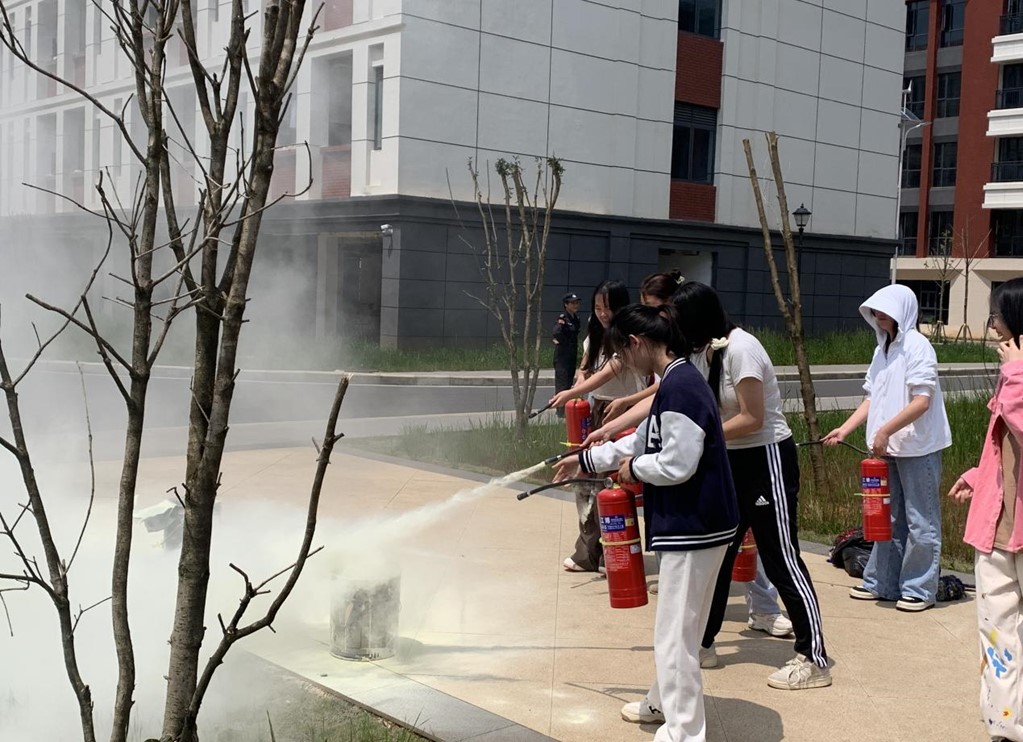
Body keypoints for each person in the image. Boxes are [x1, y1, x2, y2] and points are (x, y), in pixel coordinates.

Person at [552, 303, 738, 742]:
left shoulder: (682, 387)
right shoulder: (674, 381)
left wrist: (633, 470)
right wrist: (585, 460)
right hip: (697, 523)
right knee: (683, 628)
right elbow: (641, 439)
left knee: (675, 634)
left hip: (695, 526)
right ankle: (663, 701)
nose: (623, 362)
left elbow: (677, 463)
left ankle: (684, 732)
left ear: (636, 343)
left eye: (621, 353)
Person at [671, 282, 830, 689]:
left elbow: (752, 417)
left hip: (766, 459)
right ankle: (703, 642)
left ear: (699, 321)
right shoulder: (703, 352)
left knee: (780, 557)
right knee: (719, 554)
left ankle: (813, 657)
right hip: (730, 461)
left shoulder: (742, 348)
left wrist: (703, 439)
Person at [825, 284, 951, 612]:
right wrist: (845, 428)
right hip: (887, 448)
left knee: (921, 520)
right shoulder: (881, 349)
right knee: (885, 516)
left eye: (886, 310)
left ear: (902, 311)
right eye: (876, 310)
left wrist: (884, 431)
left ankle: (918, 589)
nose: (879, 315)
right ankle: (881, 583)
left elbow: (922, 401)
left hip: (918, 447)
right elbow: (872, 397)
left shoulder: (918, 346)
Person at [949, 277, 1023, 742]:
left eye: (996, 314)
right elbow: (1005, 447)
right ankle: (1005, 728)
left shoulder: (1015, 374)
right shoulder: (1011, 372)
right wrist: (979, 477)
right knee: (997, 636)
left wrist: (1017, 376)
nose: (992, 324)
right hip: (997, 527)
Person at [555, 280, 645, 573]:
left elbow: (609, 372)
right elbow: (586, 367)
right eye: (597, 307)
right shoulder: (594, 333)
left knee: (613, 483)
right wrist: (580, 381)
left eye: (608, 307)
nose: (603, 313)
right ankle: (588, 552)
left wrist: (571, 392)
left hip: (625, 413)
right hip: (596, 412)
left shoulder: (629, 337)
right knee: (585, 481)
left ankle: (614, 551)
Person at [551, 292, 582, 418]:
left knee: (569, 383)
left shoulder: (576, 318)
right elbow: (556, 332)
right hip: (562, 357)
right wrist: (565, 343)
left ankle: (566, 411)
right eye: (572, 303)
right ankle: (560, 412)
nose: (576, 305)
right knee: (562, 384)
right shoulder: (563, 319)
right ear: (566, 304)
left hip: (571, 356)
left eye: (577, 302)